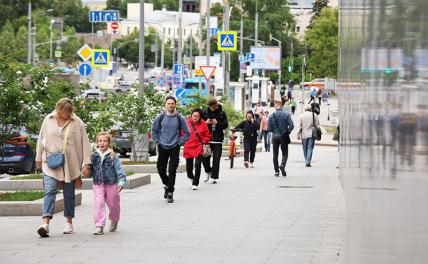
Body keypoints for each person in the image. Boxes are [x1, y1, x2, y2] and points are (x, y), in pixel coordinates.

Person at [35, 98, 91, 237]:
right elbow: (41, 138)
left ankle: (69, 222)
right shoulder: (48, 119)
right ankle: (46, 223)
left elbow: (85, 142)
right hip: (50, 162)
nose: (67, 115)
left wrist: (86, 163)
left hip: (70, 164)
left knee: (69, 194)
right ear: (59, 109)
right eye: (65, 112)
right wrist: (38, 158)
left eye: (70, 112)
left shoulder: (77, 122)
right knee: (50, 190)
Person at [151, 96, 190, 203]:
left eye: (172, 103)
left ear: (175, 105)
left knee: (172, 170)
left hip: (174, 147)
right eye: (168, 103)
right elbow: (153, 130)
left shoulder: (180, 118)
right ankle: (167, 184)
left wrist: (179, 143)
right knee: (160, 169)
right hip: (162, 146)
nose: (170, 105)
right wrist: (157, 142)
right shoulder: (160, 117)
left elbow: (187, 133)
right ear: (165, 105)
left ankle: (170, 192)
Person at [89, 132, 126, 235]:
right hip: (98, 183)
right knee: (99, 203)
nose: (102, 143)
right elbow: (88, 169)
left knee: (113, 204)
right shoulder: (93, 155)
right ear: (97, 142)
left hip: (111, 183)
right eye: (100, 141)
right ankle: (99, 226)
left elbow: (119, 168)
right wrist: (86, 168)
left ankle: (114, 219)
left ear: (109, 143)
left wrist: (121, 181)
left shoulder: (112, 155)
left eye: (105, 141)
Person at [183, 109, 211, 190]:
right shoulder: (186, 123)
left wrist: (204, 141)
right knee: (189, 166)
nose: (195, 117)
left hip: (199, 147)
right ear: (191, 116)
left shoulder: (203, 123)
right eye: (194, 116)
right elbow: (182, 133)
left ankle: (195, 183)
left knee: (198, 165)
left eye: (197, 116)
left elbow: (208, 135)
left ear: (200, 117)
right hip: (188, 146)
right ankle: (191, 177)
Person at [203, 99, 229, 184]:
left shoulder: (222, 114)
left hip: (218, 140)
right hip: (207, 139)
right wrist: (206, 123)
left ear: (217, 105)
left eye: (214, 107)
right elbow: (199, 125)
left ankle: (214, 176)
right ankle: (208, 171)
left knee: (216, 158)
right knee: (205, 158)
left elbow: (225, 125)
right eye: (211, 107)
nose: (213, 109)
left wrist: (217, 123)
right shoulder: (205, 113)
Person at [268, 100, 294, 177]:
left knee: (275, 155)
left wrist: (274, 130)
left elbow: (269, 129)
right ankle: (282, 164)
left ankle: (276, 171)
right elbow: (292, 125)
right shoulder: (286, 115)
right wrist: (287, 131)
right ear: (281, 106)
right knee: (285, 153)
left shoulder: (271, 116)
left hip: (275, 137)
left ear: (275, 106)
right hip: (284, 137)